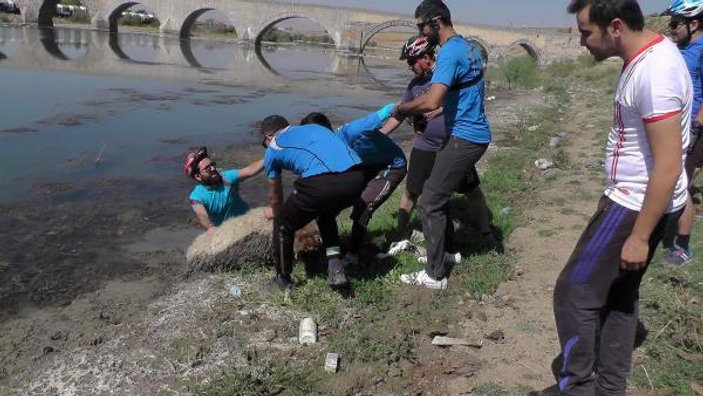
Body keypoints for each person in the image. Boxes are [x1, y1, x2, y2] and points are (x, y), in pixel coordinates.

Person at [551, 1, 691, 395]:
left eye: (584, 32)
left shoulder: (655, 72)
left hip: (633, 205)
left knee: (573, 293)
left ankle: (578, 388)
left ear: (614, 27)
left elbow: (666, 165)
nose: (581, 43)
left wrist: (639, 235)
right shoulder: (652, 55)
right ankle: (609, 389)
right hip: (644, 201)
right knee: (620, 297)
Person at [392, 0, 493, 290]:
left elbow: (432, 99)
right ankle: (448, 253)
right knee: (439, 195)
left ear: (436, 22)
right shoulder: (469, 47)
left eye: (422, 26)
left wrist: (403, 108)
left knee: (429, 201)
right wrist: (435, 114)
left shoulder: (449, 53)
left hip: (465, 137)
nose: (421, 34)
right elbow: (457, 98)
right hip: (471, 133)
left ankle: (435, 275)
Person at [381, 35, 498, 258]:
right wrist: (379, 134)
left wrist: (435, 110)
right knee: (411, 192)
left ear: (425, 57)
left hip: (453, 145)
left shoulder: (448, 74)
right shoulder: (415, 85)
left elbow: (459, 101)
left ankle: (486, 232)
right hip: (424, 146)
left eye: (411, 62)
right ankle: (401, 233)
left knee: (471, 191)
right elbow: (400, 113)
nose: (410, 68)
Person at [260, 115, 367, 289]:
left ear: (268, 137)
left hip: (322, 182)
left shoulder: (272, 148)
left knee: (282, 225)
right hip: (357, 177)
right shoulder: (315, 129)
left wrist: (280, 214)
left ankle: (282, 279)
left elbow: (275, 198)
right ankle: (335, 266)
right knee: (326, 214)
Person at [301, 104, 407, 264]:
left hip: (390, 167)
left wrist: (418, 107)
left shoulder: (352, 131)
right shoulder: (325, 147)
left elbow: (391, 108)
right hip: (365, 167)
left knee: (362, 207)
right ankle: (329, 247)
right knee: (325, 210)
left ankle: (353, 255)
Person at [663, 0, 703, 265]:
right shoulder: (681, 47)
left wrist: (696, 126)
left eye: (676, 23)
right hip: (676, 127)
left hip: (693, 128)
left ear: (694, 23)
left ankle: (683, 247)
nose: (671, 28)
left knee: (682, 184)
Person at [184, 146, 264, 233]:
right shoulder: (196, 197)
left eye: (212, 164)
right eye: (207, 168)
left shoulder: (226, 177)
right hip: (228, 233)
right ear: (197, 176)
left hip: (249, 221)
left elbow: (250, 170)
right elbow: (202, 216)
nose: (213, 168)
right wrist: (210, 228)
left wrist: (269, 157)